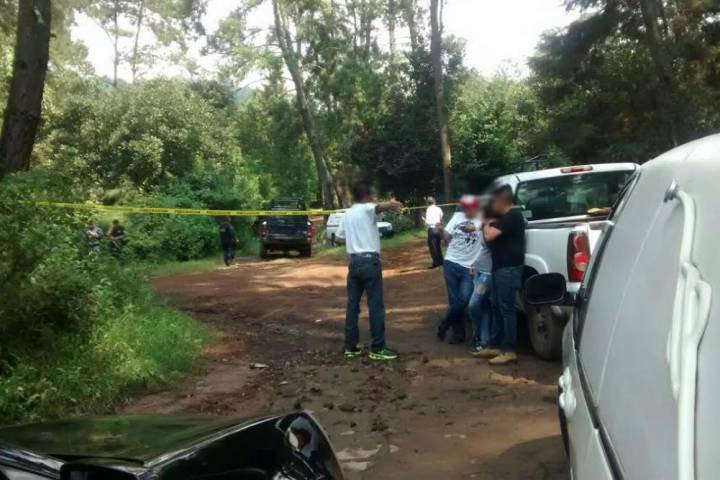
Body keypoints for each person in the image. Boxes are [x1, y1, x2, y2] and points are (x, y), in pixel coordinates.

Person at [336, 181, 403, 361]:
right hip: (369, 263)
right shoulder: (367, 208)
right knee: (375, 306)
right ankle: (378, 348)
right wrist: (390, 204)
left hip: (354, 262)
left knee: (352, 306)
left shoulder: (348, 213)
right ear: (367, 196)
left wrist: (354, 239)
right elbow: (378, 207)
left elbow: (339, 237)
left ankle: (350, 346)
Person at [478, 185, 526, 365]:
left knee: (507, 309)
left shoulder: (512, 216)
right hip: (500, 267)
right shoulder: (503, 217)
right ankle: (495, 345)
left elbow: (489, 236)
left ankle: (509, 350)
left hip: (508, 268)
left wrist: (486, 222)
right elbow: (487, 237)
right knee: (497, 306)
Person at [436, 195, 485, 344]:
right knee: (453, 300)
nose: (465, 210)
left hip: (469, 267)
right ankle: (458, 334)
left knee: (464, 298)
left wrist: (475, 227)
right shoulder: (458, 216)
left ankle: (444, 323)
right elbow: (447, 238)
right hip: (451, 262)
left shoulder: (483, 218)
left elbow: (490, 228)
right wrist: (441, 230)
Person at [468, 196, 495, 356]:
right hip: (478, 270)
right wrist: (472, 263)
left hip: (487, 273)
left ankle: (477, 334)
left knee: (474, 304)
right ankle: (484, 341)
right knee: (483, 307)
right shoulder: (481, 224)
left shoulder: (492, 226)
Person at [423, 197, 444, 268]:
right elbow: (441, 217)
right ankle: (441, 261)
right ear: (434, 202)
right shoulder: (438, 208)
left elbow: (428, 221)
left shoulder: (428, 209)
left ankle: (436, 263)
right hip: (438, 229)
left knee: (433, 247)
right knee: (438, 246)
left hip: (432, 229)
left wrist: (425, 221)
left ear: (427, 203)